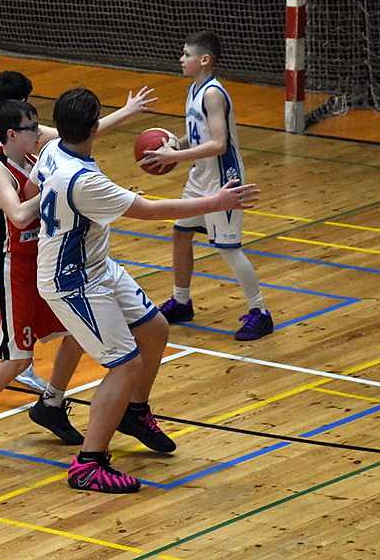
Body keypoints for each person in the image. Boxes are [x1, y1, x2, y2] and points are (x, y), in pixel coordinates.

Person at [31, 87, 259, 493]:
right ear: (94, 127)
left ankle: (133, 411)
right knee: (125, 365)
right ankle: (88, 464)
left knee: (155, 329)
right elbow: (151, 211)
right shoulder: (84, 181)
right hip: (72, 280)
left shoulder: (52, 150)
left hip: (96, 265)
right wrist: (216, 200)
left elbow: (39, 193)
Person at [0, 37, 158, 391]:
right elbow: (75, 133)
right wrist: (127, 112)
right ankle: (18, 358)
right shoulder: (29, 137)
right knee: (14, 283)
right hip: (2, 217)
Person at [0, 99, 86, 456]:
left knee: (78, 333)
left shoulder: (33, 162)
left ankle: (51, 404)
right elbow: (21, 216)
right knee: (19, 358)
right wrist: (55, 187)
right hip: (12, 267)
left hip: (42, 263)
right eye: (32, 127)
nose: (39, 132)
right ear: (12, 134)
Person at [142, 30, 273, 341]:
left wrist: (175, 155)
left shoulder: (213, 93)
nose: (181, 59)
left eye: (187, 54)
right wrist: (176, 144)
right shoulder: (194, 89)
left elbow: (218, 143)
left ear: (204, 60)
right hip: (200, 177)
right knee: (180, 234)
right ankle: (181, 302)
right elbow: (198, 136)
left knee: (229, 250)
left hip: (223, 180)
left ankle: (260, 312)